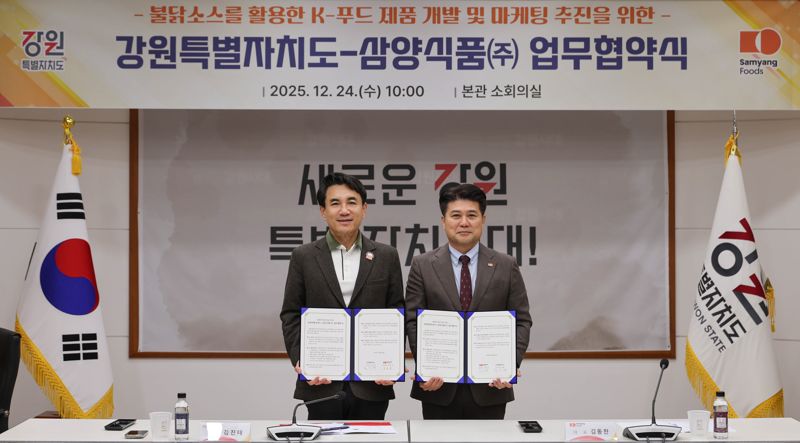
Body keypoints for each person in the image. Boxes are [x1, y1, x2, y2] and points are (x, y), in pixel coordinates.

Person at [280, 172, 404, 420]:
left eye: (352, 202)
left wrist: (392, 361)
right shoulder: (303, 256)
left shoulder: (386, 256)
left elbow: (396, 313)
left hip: (372, 384)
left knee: (370, 438)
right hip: (321, 381)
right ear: (323, 211)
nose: (344, 210)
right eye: (335, 203)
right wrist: (303, 359)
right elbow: (290, 314)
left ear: (364, 209)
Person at [405, 183, 532, 419]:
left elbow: (522, 320)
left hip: (491, 387)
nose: (464, 222)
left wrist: (509, 364)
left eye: (472, 215)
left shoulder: (506, 265)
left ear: (483, 220)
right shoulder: (422, 265)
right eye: (456, 215)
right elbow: (412, 321)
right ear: (443, 221)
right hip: (438, 388)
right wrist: (426, 366)